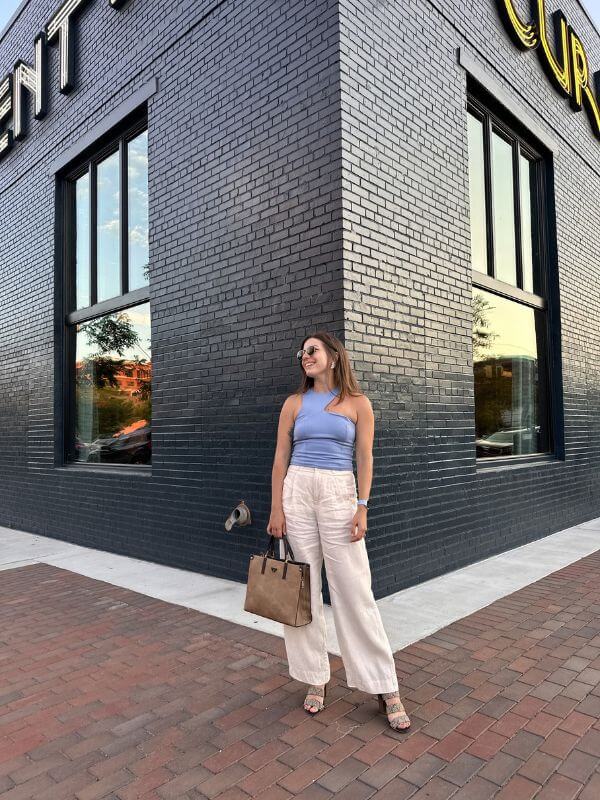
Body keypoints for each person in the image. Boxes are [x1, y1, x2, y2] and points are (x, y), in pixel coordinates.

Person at [267, 331, 410, 731]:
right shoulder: (294, 403)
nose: (305, 357)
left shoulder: (359, 404)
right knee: (302, 589)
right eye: (302, 353)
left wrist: (362, 507)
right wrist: (276, 508)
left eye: (313, 350)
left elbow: (364, 458)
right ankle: (315, 677)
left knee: (354, 590)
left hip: (339, 493)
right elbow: (280, 458)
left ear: (333, 356)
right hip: (297, 491)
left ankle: (383, 684)